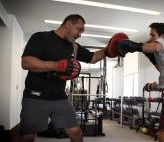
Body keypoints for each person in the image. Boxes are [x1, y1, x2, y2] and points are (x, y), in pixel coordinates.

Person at [20, 14, 107, 142]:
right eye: (79, 29)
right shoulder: (41, 37)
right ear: (68, 24)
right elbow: (26, 62)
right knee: (28, 136)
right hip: (35, 96)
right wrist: (57, 65)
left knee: (76, 133)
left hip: (59, 97)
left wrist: (109, 49)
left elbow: (93, 58)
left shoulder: (73, 46)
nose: (80, 34)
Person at [116, 23, 164, 142]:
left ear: (162, 35)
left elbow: (156, 47)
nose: (150, 38)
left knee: (162, 134)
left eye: (153, 35)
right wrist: (152, 86)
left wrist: (133, 46)